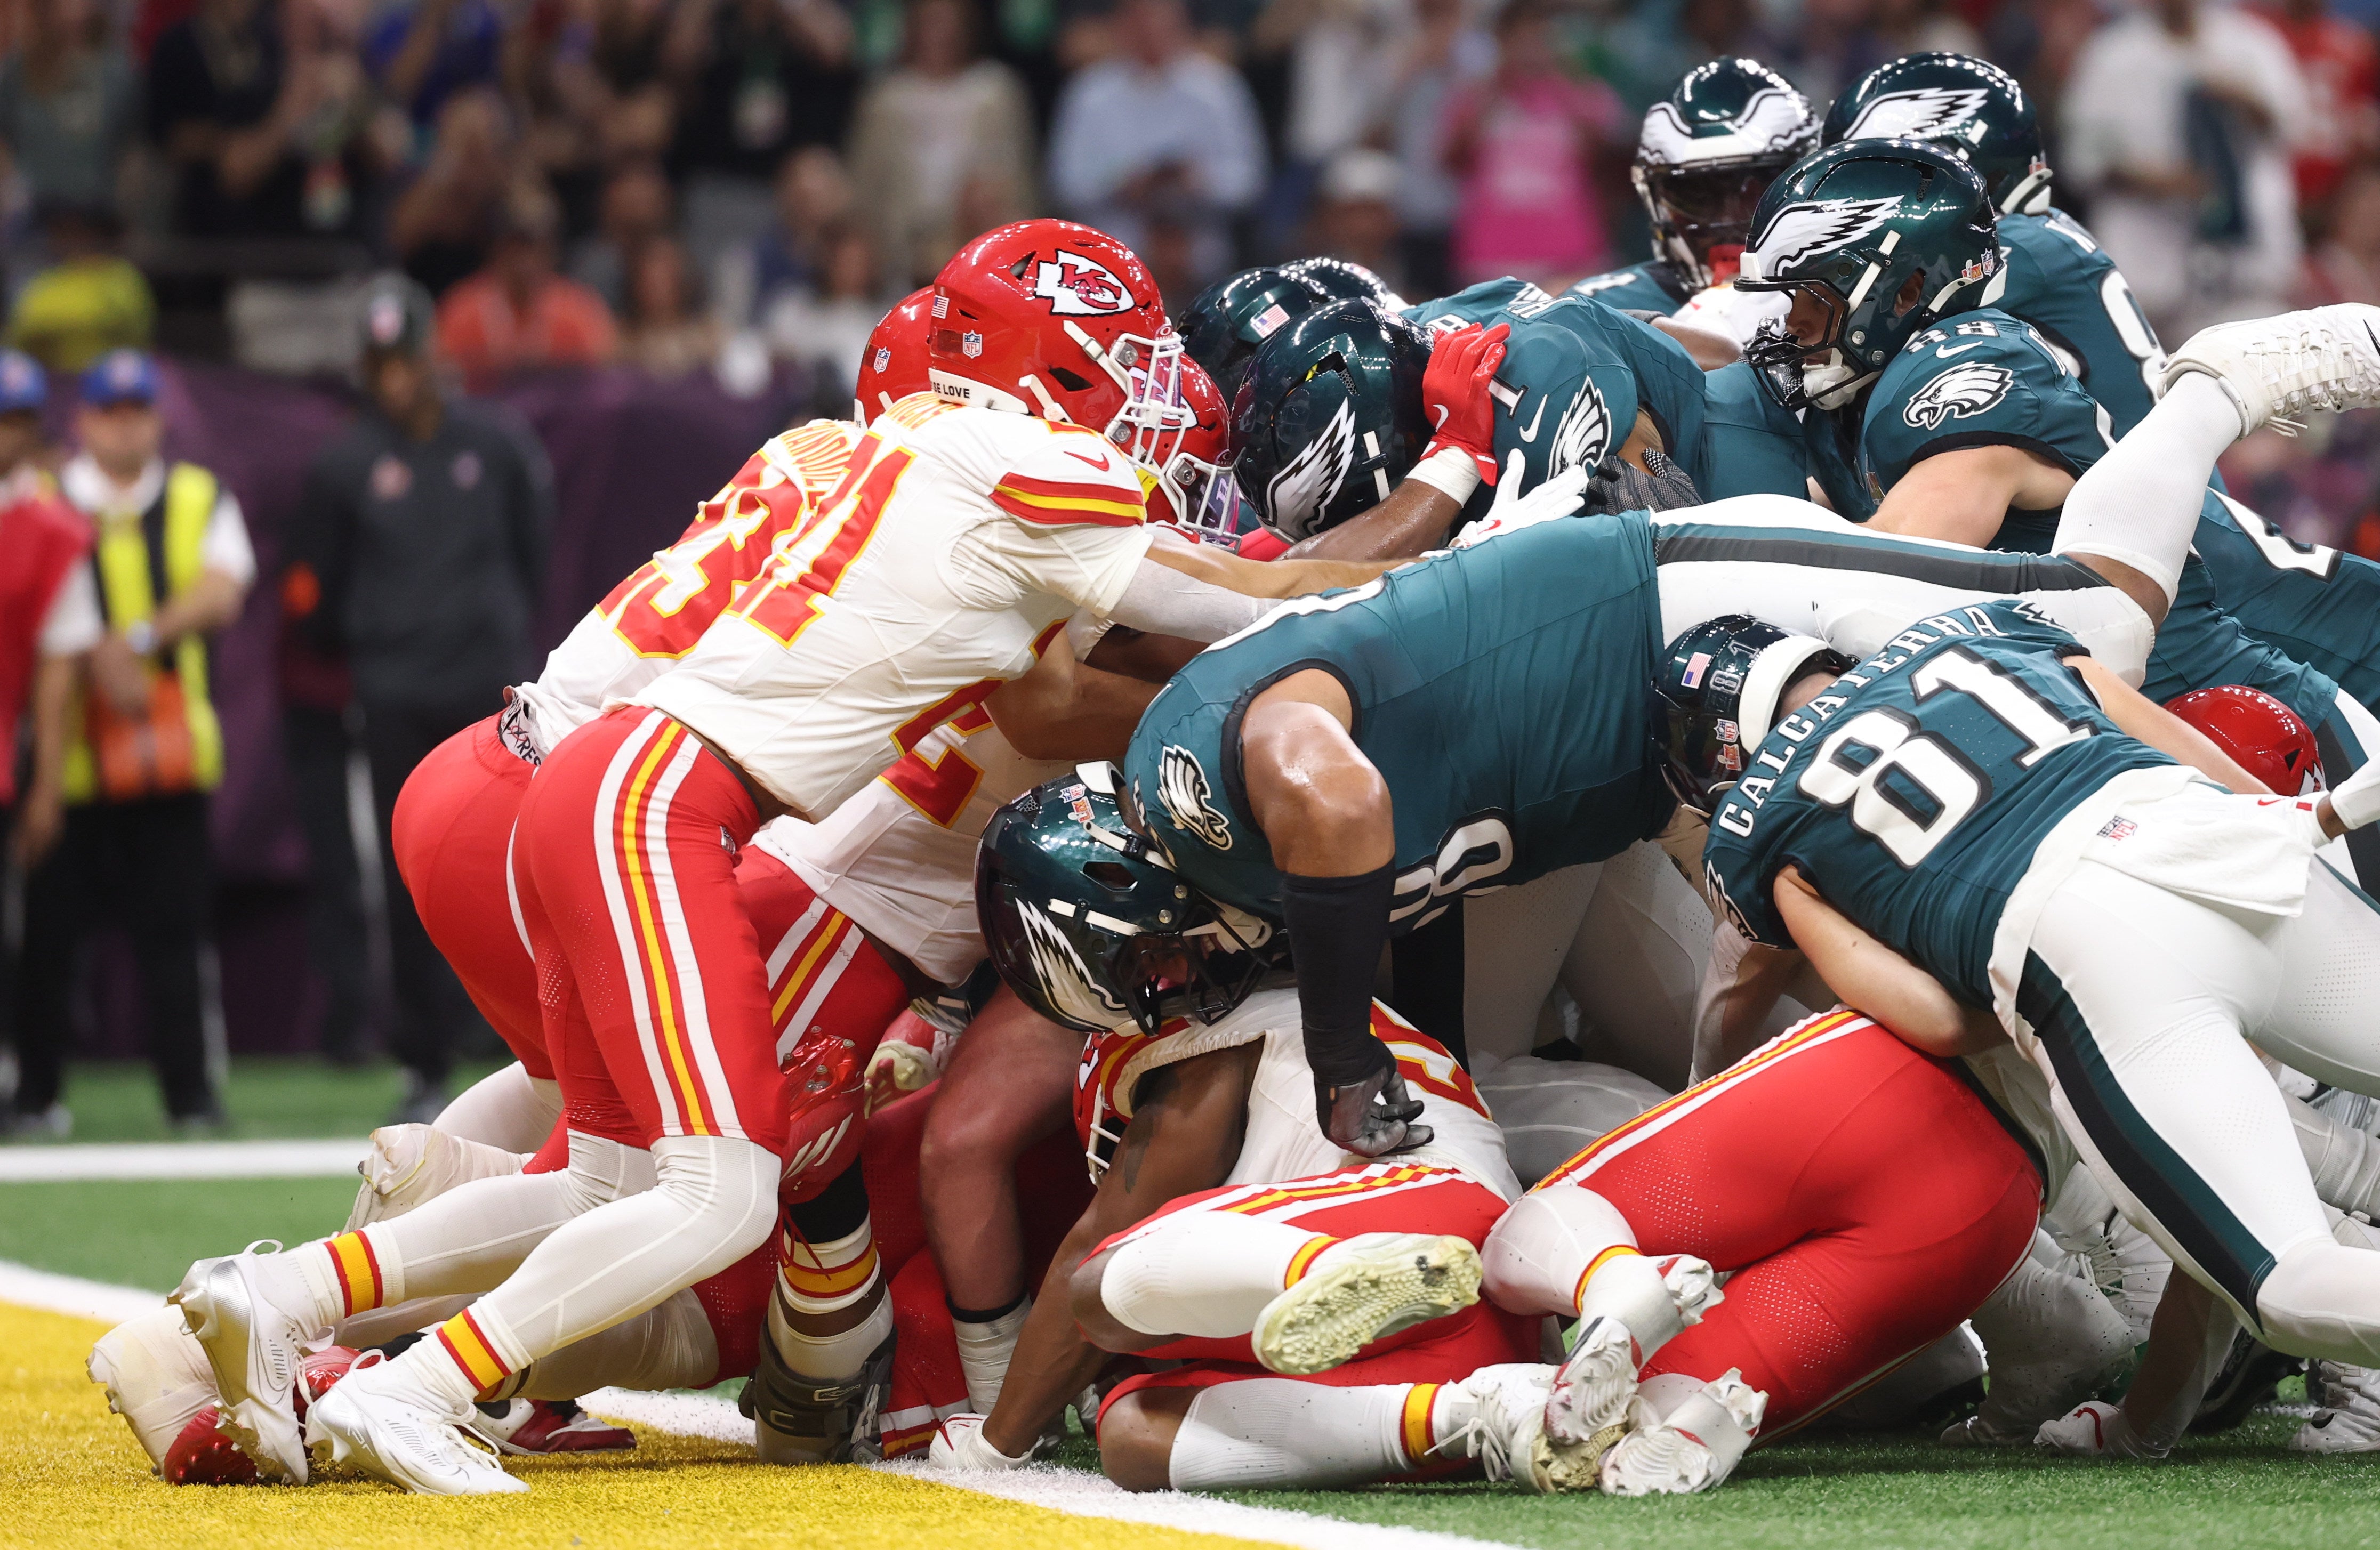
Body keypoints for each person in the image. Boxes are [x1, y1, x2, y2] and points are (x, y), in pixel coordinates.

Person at [179, 221, 1381, 1496]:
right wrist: (1459, 528)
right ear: (1050, 367)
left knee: (604, 1184)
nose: (1150, 409)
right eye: (1123, 368)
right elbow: (1261, 609)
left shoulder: (909, 446)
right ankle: (418, 1386)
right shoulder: (1037, 468)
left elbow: (1036, 691)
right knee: (724, 1193)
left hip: (589, 779)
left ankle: (282, 1295)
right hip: (657, 803)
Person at [283, 276, 552, 1124]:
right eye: (379, 365)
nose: (395, 379)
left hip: (488, 693)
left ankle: (530, 1049)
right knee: (416, 877)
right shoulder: (344, 465)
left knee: (518, 870)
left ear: (429, 356)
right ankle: (423, 1053)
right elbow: (314, 597)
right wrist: (380, 644)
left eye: (403, 360)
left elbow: (533, 550)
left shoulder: (497, 446)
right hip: (396, 694)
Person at [15, 349, 252, 1133]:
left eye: (138, 411)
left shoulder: (197, 494)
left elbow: (226, 584)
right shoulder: (43, 497)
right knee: (46, 939)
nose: (125, 428)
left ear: (159, 418)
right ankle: (35, 1094)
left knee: (175, 938)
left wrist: (141, 637)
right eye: (110, 412)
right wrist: (93, 653)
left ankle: (191, 1097)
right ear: (83, 420)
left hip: (168, 755)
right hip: (66, 762)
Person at [2061, 0, 2306, 334]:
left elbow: (2298, 127)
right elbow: (2080, 158)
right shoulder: (2112, 54)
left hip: (2246, 277)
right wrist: (2149, 179)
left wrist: (2246, 100)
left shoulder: (2251, 44)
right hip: (2147, 275)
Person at [0, 351, 97, 1131]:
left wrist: (47, 786)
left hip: (6, 753)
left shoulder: (51, 529)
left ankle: (29, 1086)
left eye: (17, 420)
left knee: (28, 931)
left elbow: (60, 670)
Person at [1568, 58, 1818, 333]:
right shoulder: (1603, 311)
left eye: (1758, 194)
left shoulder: (1848, 294)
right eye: (1698, 196)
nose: (1728, 222)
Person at [1045, 0, 1265, 291]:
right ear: (1120, 25)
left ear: (1182, 22)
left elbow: (1250, 182)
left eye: (1160, 18)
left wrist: (1196, 181)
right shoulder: (1090, 92)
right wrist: (1122, 185)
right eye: (1139, 18)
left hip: (1202, 260)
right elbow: (1066, 185)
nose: (1150, 29)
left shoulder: (1218, 87)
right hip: (1110, 264)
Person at [846, 0, 1038, 288]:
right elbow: (864, 184)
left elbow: (1018, 179)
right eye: (931, 22)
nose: (941, 33)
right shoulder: (885, 97)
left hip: (977, 241)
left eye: (950, 22)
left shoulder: (995, 90)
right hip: (899, 246)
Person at [1438, 0, 1628, 288]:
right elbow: (1451, 161)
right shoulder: (1474, 97)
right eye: (1520, 37)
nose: (1530, 47)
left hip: (1572, 254)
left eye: (1540, 36)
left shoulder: (1582, 93)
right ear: (1501, 41)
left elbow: (1609, 159)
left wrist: (1566, 84)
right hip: (1493, 254)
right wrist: (1492, 95)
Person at [433, 182, 619, 386]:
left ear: (552, 250)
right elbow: (442, 378)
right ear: (497, 248)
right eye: (517, 246)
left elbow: (604, 375)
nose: (526, 262)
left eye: (536, 247)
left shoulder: (579, 311)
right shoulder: (463, 310)